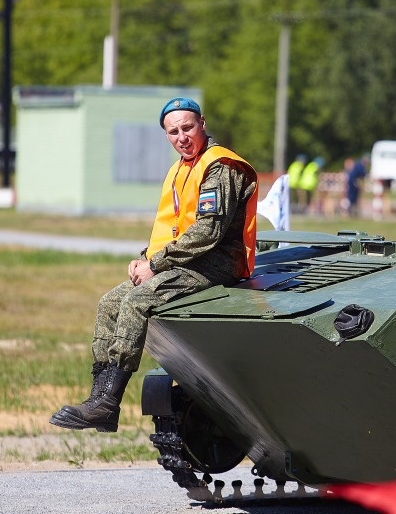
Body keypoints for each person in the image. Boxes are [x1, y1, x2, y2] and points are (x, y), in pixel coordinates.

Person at [49, 97, 259, 433]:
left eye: (187, 127)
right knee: (109, 304)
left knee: (136, 301)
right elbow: (173, 225)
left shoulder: (221, 167)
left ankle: (107, 401)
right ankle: (100, 399)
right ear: (167, 136)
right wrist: (145, 259)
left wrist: (156, 265)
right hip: (183, 261)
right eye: (173, 132)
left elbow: (208, 231)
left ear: (202, 124)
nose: (182, 137)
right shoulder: (181, 168)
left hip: (219, 262)